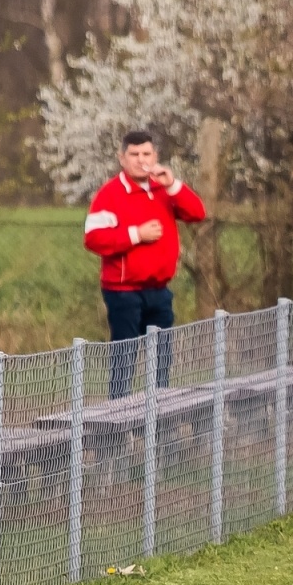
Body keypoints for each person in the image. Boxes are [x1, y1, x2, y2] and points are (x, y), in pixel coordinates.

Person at [84, 129, 207, 398]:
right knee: (125, 356)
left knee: (161, 358)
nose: (141, 160)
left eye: (146, 154)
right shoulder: (110, 194)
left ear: (155, 156)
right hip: (123, 291)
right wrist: (135, 235)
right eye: (134, 154)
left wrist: (173, 185)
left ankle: (159, 414)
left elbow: (197, 213)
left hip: (159, 289)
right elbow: (93, 239)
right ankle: (118, 416)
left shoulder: (164, 190)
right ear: (122, 158)